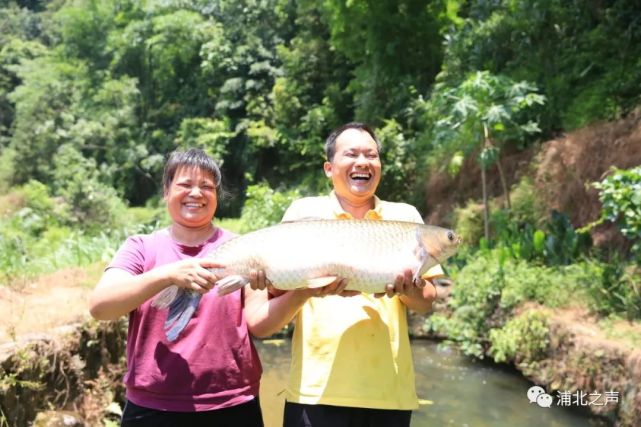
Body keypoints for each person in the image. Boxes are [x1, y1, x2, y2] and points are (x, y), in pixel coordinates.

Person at [244, 122, 444, 427]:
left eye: (372, 155)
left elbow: (427, 300)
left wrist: (407, 289)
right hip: (314, 392)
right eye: (351, 154)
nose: (363, 162)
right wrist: (305, 290)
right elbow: (266, 314)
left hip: (388, 393)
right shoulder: (304, 214)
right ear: (329, 167)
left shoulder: (406, 218)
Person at [89, 148, 263, 427]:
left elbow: (261, 325)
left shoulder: (244, 248)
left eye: (207, 186)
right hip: (152, 406)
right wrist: (167, 275)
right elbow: (100, 307)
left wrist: (304, 290)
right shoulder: (141, 248)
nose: (196, 193)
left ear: (217, 196)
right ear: (166, 192)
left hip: (233, 402)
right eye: (185, 184)